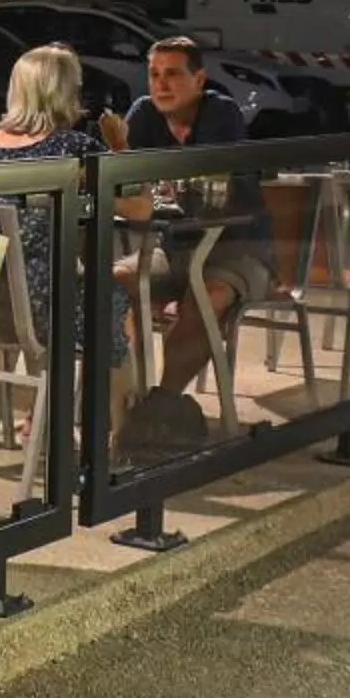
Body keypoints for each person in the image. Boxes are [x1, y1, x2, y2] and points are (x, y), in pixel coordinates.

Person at [0, 45, 132, 419]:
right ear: (67, 92)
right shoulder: (74, 149)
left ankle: (44, 415)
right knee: (115, 298)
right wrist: (119, 145)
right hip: (40, 307)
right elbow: (141, 207)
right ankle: (116, 431)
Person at [119, 35, 270, 457]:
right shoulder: (143, 114)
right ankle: (120, 396)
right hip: (175, 247)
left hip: (238, 247)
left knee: (206, 296)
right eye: (154, 74)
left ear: (199, 79)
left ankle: (161, 404)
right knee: (114, 282)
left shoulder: (221, 114)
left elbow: (220, 188)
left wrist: (158, 191)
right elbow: (126, 180)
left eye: (173, 74)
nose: (161, 84)